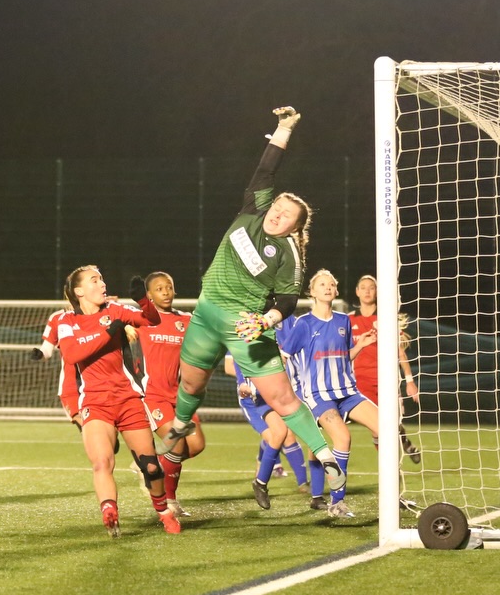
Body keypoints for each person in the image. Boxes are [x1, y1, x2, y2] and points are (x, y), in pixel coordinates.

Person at [161, 106, 345, 506]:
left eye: (287, 216)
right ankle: (180, 423)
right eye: (277, 208)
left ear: (296, 227)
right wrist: (284, 128)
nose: (278, 215)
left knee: (283, 400)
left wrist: (266, 320)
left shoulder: (289, 255)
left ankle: (326, 456)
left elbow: (287, 301)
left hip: (246, 326)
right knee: (191, 384)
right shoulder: (252, 210)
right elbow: (265, 171)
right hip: (206, 315)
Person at [57, 264, 180, 537]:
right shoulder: (67, 321)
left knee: (151, 467)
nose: (102, 284)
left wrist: (143, 301)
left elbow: (151, 320)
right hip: (95, 403)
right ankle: (109, 510)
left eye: (102, 279)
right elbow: (72, 354)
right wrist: (109, 331)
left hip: (128, 399)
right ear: (79, 291)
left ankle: (163, 511)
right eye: (94, 280)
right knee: (102, 462)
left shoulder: (114, 310)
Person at [275, 269, 381, 518]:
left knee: (385, 427)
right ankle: (337, 502)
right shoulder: (303, 324)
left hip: (348, 391)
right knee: (343, 439)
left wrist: (360, 346)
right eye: (322, 284)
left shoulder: (343, 321)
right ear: (312, 292)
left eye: (331, 284)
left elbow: (344, 357)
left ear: (336, 290)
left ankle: (393, 493)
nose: (328, 287)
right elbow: (284, 357)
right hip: (319, 395)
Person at [132, 271, 202, 518]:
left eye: (169, 287)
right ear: (149, 295)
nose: (165, 292)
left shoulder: (186, 320)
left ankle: (150, 464)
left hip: (180, 396)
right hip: (153, 395)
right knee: (176, 442)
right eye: (159, 288)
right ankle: (169, 501)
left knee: (196, 446)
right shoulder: (141, 319)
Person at [349, 274, 421, 464]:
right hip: (361, 383)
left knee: (392, 422)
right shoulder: (348, 320)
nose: (367, 291)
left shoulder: (386, 318)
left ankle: (404, 442)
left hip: (387, 380)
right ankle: (391, 469)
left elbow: (399, 351)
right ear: (357, 292)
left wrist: (410, 381)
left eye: (371, 287)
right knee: (377, 427)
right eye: (363, 287)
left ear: (377, 292)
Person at [226, 353, 311, 495]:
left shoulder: (276, 340)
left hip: (273, 394)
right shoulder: (240, 341)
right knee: (273, 436)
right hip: (252, 399)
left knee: (288, 435)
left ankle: (303, 483)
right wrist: (251, 378)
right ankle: (261, 476)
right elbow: (230, 366)